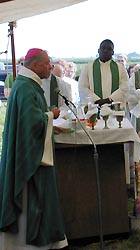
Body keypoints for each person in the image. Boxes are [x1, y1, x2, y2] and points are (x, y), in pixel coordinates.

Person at [0, 48, 68, 248]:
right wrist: (52, 115)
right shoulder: (27, 88)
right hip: (30, 159)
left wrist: (48, 123)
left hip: (28, 147)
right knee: (33, 198)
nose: (51, 66)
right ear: (35, 65)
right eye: (47, 63)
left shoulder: (26, 85)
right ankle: (27, 243)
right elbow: (32, 123)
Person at [78, 39, 129, 107]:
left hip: (114, 107)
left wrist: (109, 99)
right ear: (98, 50)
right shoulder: (88, 67)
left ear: (113, 52)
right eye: (103, 48)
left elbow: (125, 87)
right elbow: (82, 87)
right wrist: (96, 100)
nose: (105, 51)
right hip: (94, 108)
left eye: (109, 49)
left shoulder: (120, 68)